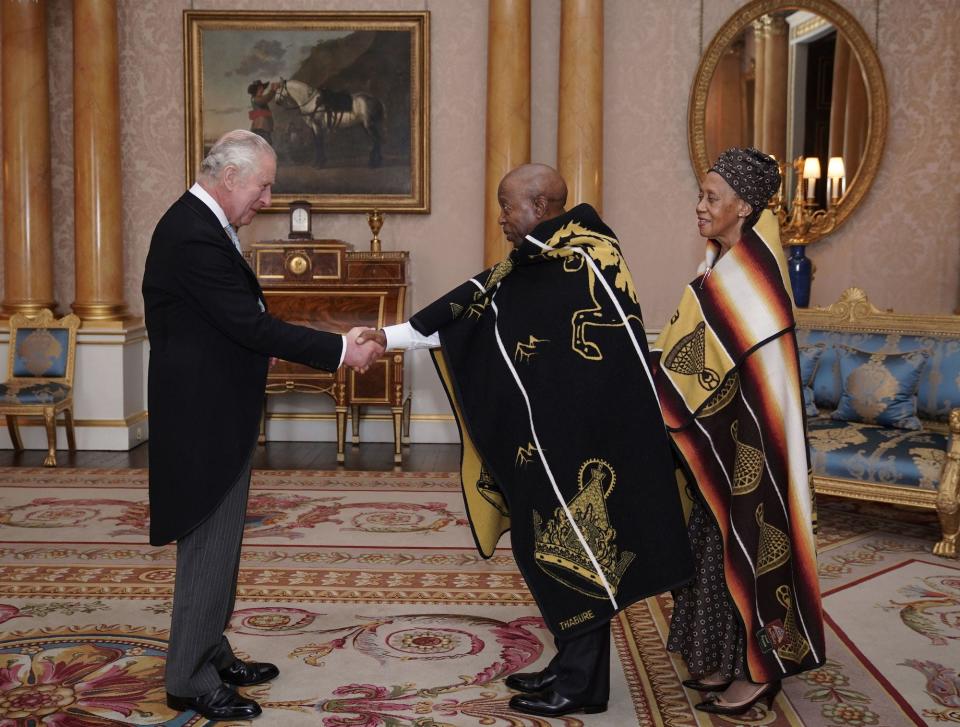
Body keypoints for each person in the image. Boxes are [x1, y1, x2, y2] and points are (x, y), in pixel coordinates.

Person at [358, 164, 694, 718]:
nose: (501, 218)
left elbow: (488, 311)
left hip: (589, 440)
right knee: (550, 545)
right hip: (557, 435)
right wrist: (390, 338)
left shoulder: (574, 259)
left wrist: (390, 338)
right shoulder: (545, 257)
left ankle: (583, 686)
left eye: (506, 205)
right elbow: (475, 308)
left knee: (577, 550)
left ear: (539, 206)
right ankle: (572, 667)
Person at [142, 129, 382, 721]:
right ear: (229, 179)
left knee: (222, 543)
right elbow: (246, 325)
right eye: (264, 185)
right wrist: (337, 349)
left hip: (217, 404)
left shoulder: (201, 225)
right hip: (203, 417)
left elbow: (228, 321)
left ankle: (211, 650)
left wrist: (254, 351)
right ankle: (189, 679)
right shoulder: (193, 233)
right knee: (208, 541)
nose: (268, 199)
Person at [650, 148, 826, 715]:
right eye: (701, 195)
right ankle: (727, 660)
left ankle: (762, 671)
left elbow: (703, 359)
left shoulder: (752, 272)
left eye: (711, 197)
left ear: (745, 206)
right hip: (722, 437)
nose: (700, 206)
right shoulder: (721, 262)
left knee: (755, 546)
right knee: (713, 543)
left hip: (753, 441)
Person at [247, 80, 277, 145]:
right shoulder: (256, 99)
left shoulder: (257, 98)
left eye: (262, 88)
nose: (262, 90)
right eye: (260, 88)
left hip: (263, 129)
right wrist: (273, 90)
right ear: (256, 90)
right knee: (266, 146)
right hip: (261, 129)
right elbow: (266, 99)